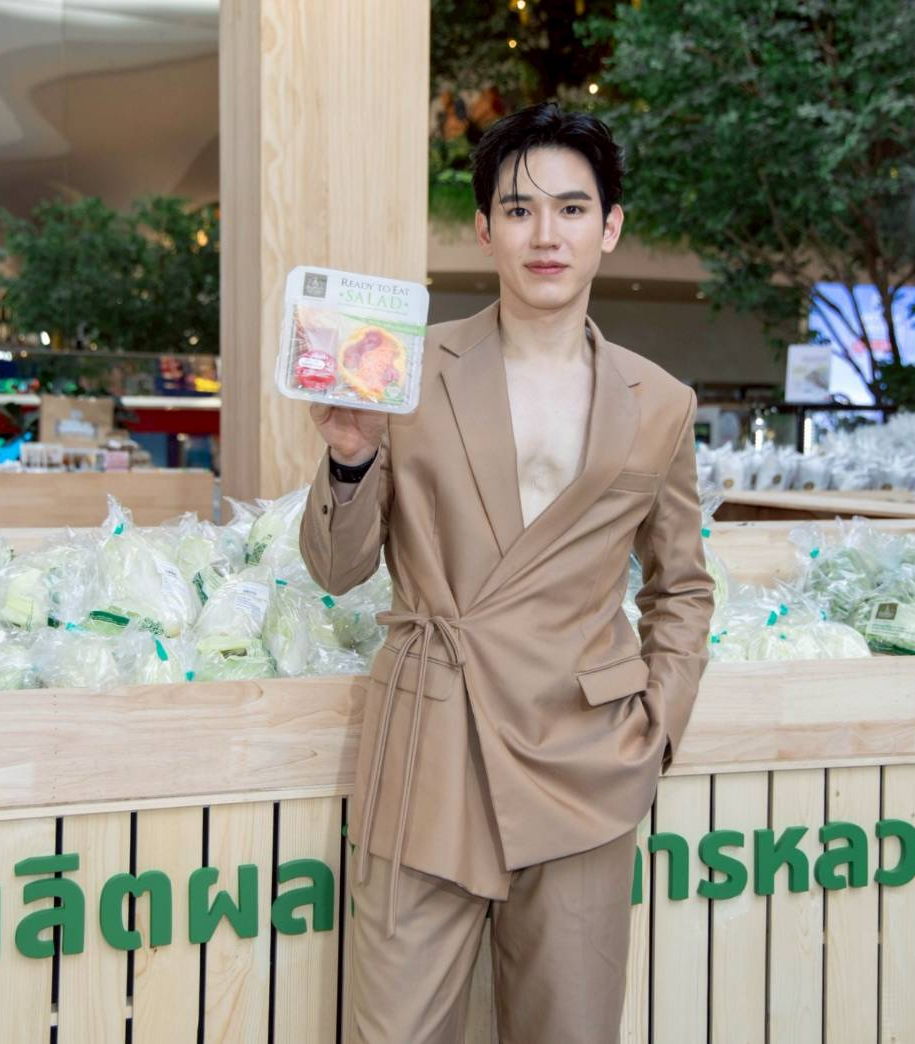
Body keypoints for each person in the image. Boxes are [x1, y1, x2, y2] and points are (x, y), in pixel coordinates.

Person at [298, 102, 713, 1043]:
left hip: (585, 759)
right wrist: (351, 459)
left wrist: (656, 726)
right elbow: (336, 569)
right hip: (430, 745)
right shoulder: (403, 367)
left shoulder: (660, 401)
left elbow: (682, 586)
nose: (545, 235)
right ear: (485, 229)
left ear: (610, 227)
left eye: (572, 209)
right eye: (520, 210)